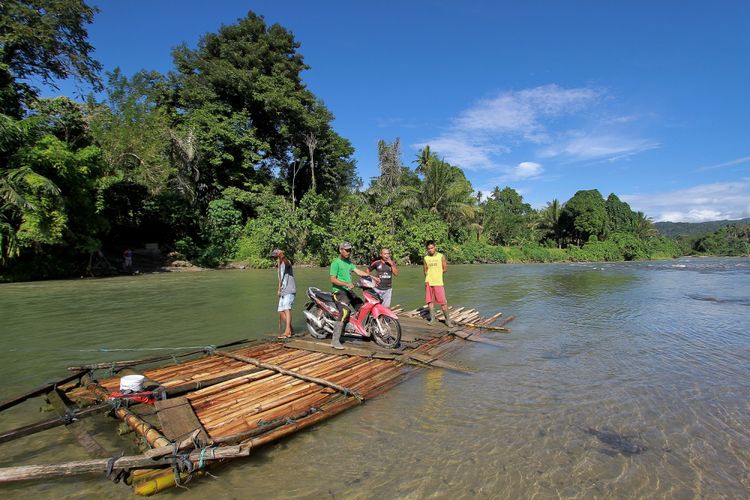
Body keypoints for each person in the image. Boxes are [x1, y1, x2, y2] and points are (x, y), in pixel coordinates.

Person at [329, 242, 378, 349]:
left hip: (348, 291)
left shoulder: (349, 262)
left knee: (363, 308)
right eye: (346, 250)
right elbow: (332, 279)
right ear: (340, 250)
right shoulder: (335, 263)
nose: (348, 252)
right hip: (339, 292)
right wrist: (346, 284)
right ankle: (335, 340)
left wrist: (372, 277)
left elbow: (358, 272)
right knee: (345, 312)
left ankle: (358, 329)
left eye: (350, 250)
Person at [423, 240, 453, 327]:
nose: (430, 250)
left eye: (432, 248)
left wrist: (437, 274)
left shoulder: (441, 256)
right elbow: (425, 270)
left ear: (435, 247)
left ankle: (448, 321)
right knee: (430, 301)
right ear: (427, 249)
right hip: (428, 282)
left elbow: (445, 269)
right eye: (428, 249)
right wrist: (428, 277)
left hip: (438, 282)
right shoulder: (426, 258)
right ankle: (432, 319)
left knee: (443, 302)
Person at [271, 248, 296, 339]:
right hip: (283, 291)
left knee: (286, 309)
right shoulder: (279, 266)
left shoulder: (286, 262)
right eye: (274, 257)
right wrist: (278, 289)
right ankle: (291, 329)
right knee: (280, 311)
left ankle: (287, 332)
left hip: (289, 289)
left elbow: (286, 262)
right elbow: (280, 279)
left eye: (276, 257)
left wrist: (282, 256)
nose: (275, 259)